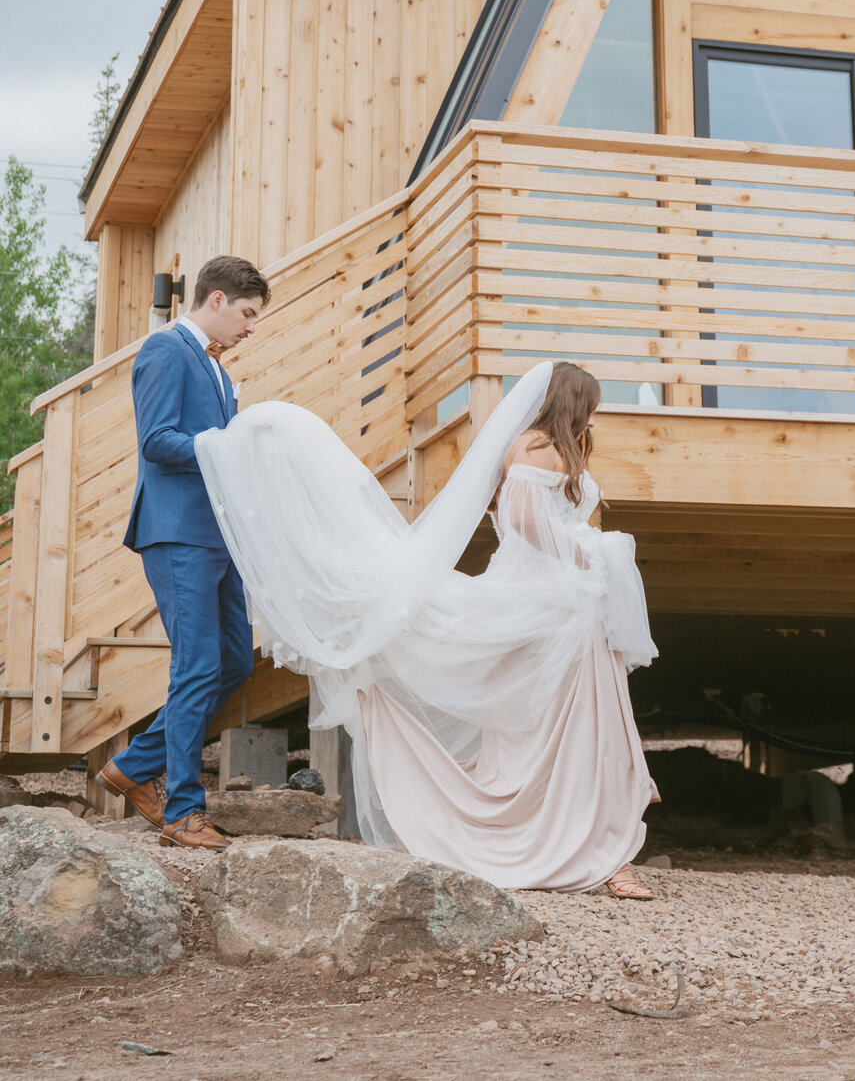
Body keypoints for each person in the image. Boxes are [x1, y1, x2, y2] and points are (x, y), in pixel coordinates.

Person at [195, 360, 660, 895]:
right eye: (592, 407)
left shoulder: (538, 445)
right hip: (550, 602)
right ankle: (591, 851)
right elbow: (527, 520)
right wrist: (592, 554)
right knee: (568, 728)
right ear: (573, 403)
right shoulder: (540, 447)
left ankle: (589, 843)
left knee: (549, 727)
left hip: (552, 602)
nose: (595, 420)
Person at [97, 255, 270, 850]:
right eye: (247, 314)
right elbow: (156, 440)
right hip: (177, 532)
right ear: (216, 300)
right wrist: (227, 446)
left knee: (235, 660)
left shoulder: (219, 370)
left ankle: (133, 765)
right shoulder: (166, 349)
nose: (251, 327)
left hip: (218, 535)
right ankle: (182, 814)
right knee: (196, 664)